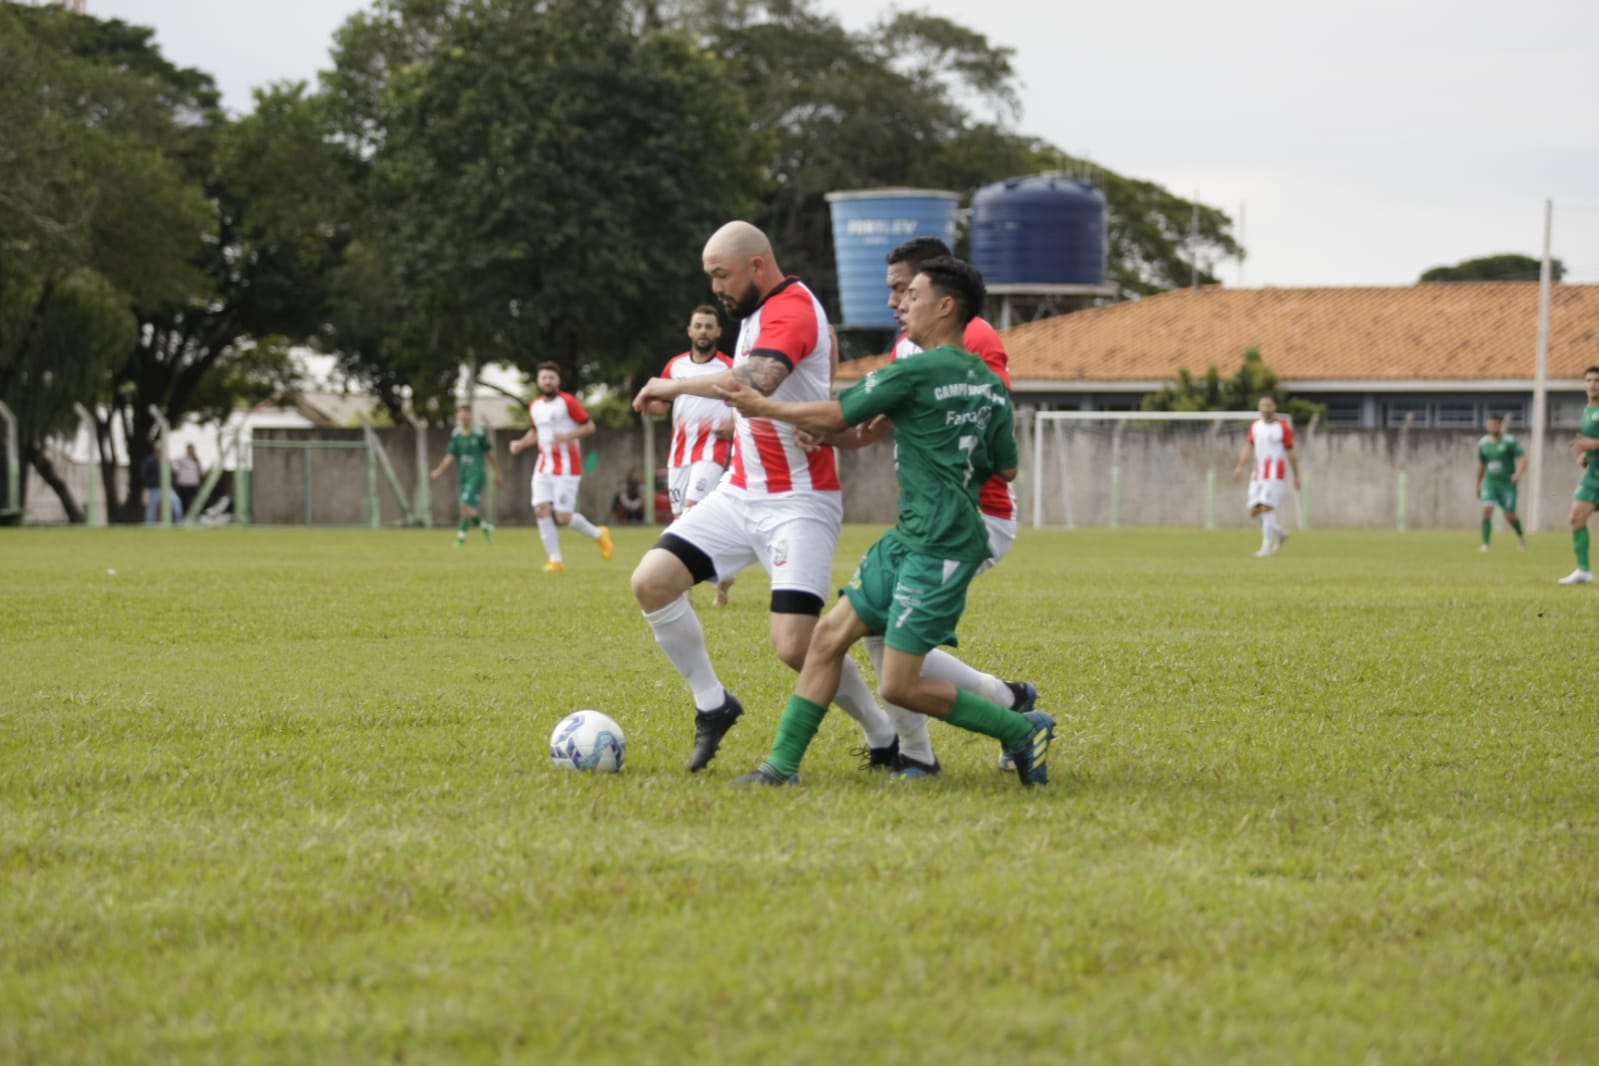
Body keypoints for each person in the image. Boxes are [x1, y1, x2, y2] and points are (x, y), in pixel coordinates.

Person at [717, 256, 1056, 787]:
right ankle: (779, 767)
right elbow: (1006, 465)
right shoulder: (989, 385)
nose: (902, 306)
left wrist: (765, 406)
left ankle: (1018, 725)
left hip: (942, 544)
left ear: (945, 306)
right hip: (911, 535)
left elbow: (838, 415)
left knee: (899, 685)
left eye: (913, 296)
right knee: (829, 636)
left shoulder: (915, 369)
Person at [629, 220, 899, 772]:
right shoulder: (756, 312)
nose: (715, 289)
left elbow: (752, 383)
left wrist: (672, 384)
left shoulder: (793, 307)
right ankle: (714, 704)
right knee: (652, 582)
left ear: (757, 265)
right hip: (740, 491)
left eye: (721, 275)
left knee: (796, 647)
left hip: (800, 500)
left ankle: (883, 733)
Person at [815, 236, 1037, 777]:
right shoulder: (906, 348)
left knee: (885, 637)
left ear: (936, 291)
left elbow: (992, 417)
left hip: (974, 518)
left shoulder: (977, 338)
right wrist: (823, 432)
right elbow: (877, 427)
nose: (893, 302)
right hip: (922, 520)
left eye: (901, 289)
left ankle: (931, 747)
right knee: (876, 632)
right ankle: (1002, 704)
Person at [645, 305, 738, 606]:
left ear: (718, 332)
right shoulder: (675, 366)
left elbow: (747, 405)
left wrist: (734, 425)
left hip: (712, 451)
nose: (703, 331)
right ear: (689, 330)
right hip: (679, 454)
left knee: (689, 513)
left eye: (709, 326)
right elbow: (662, 402)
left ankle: (680, 586)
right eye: (698, 325)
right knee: (679, 519)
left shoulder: (729, 367)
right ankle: (720, 574)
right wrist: (653, 406)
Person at [509, 363, 613, 572]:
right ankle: (555, 560)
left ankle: (599, 534)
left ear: (558, 381)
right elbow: (536, 431)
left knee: (563, 517)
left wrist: (568, 436)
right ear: (538, 381)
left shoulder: (568, 402)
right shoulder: (535, 406)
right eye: (544, 377)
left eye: (551, 377)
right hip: (543, 465)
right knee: (541, 510)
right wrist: (521, 443)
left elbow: (589, 426)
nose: (547, 381)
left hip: (567, 466)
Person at [1232, 395, 1300, 557]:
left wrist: (1296, 475)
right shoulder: (1255, 426)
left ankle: (1266, 548)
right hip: (1258, 473)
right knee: (1253, 512)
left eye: (1269, 405)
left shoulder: (1282, 427)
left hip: (1275, 473)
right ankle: (1280, 532)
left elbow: (1291, 452)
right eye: (1262, 405)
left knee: (1266, 507)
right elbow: (1249, 447)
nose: (1265, 408)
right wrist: (1240, 466)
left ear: (1274, 407)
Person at [431, 404, 503, 546]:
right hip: (463, 475)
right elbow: (450, 455)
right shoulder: (456, 435)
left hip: (476, 474)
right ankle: (485, 528)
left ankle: (461, 537)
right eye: (460, 414)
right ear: (457, 416)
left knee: (464, 505)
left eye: (466, 413)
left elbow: (490, 455)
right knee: (465, 507)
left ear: (470, 415)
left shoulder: (478, 434)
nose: (463, 416)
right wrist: (438, 470)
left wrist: (497, 473)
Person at [1557, 365, 1599, 585]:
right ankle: (1583, 570)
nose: (1592, 384)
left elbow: (1593, 441)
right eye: (1589, 380)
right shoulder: (1588, 410)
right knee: (1576, 517)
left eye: (1597, 381)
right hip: (1593, 475)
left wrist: (1593, 444)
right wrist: (1586, 456)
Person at [1475, 413, 1527, 552]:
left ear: (1500, 425)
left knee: (1509, 515)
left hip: (1507, 484)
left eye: (1495, 424)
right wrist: (1478, 484)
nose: (1492, 426)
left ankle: (1521, 537)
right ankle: (1485, 544)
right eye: (1490, 424)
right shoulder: (1483, 443)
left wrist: (1518, 473)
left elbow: (1522, 458)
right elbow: (1481, 465)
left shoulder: (1509, 441)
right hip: (1490, 483)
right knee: (1486, 510)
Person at [140, 447, 183, 525]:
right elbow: (145, 473)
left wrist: (172, 482)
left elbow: (171, 473)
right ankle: (149, 524)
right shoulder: (150, 460)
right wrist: (150, 483)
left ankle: (179, 522)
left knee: (176, 502)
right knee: (152, 507)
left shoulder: (166, 460)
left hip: (167, 487)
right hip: (155, 488)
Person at [172, 444, 203, 516]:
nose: (191, 451)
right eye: (189, 449)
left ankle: (195, 516)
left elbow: (200, 471)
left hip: (194, 484)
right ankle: (184, 517)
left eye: (192, 449)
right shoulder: (181, 458)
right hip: (183, 484)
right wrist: (177, 472)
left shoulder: (196, 460)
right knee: (184, 502)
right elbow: (173, 464)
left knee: (195, 501)